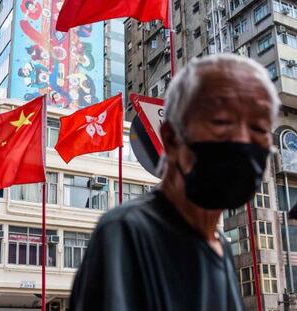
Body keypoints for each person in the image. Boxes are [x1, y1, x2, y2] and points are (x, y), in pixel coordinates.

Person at [69, 54, 280, 311]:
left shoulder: (219, 244)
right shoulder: (127, 231)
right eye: (221, 123)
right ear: (171, 138)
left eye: (259, 129)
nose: (243, 140)